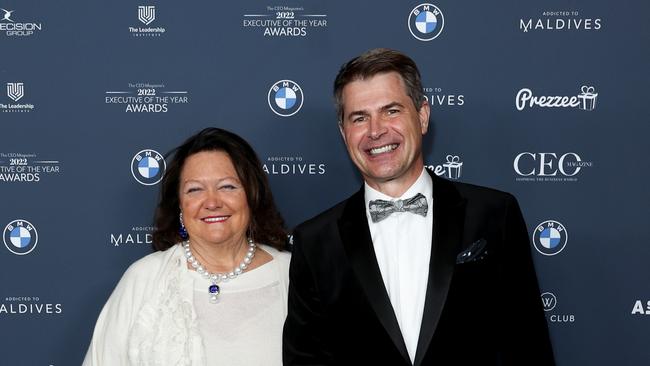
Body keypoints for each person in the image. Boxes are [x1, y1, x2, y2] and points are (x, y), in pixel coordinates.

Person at [283, 48, 555, 365]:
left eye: (391, 111)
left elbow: (528, 346)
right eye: (359, 117)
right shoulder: (315, 242)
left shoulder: (494, 215)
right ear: (344, 133)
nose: (375, 130)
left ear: (422, 115)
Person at [84, 128, 290, 365]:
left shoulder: (292, 275)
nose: (212, 202)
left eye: (227, 186)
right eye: (195, 190)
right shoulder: (143, 279)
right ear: (180, 204)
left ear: (252, 195)